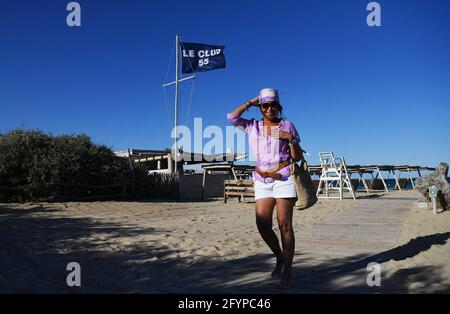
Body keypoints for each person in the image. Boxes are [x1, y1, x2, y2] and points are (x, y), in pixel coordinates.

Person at [227, 88, 303, 289]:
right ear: (261, 107)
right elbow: (232, 117)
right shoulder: (252, 126)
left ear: (279, 107)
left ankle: (287, 268)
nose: (270, 109)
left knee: (284, 224)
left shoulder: (287, 125)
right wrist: (251, 102)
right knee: (262, 224)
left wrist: (291, 139)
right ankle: (279, 256)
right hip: (261, 180)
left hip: (283, 178)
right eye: (265, 105)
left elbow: (297, 158)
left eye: (273, 105)